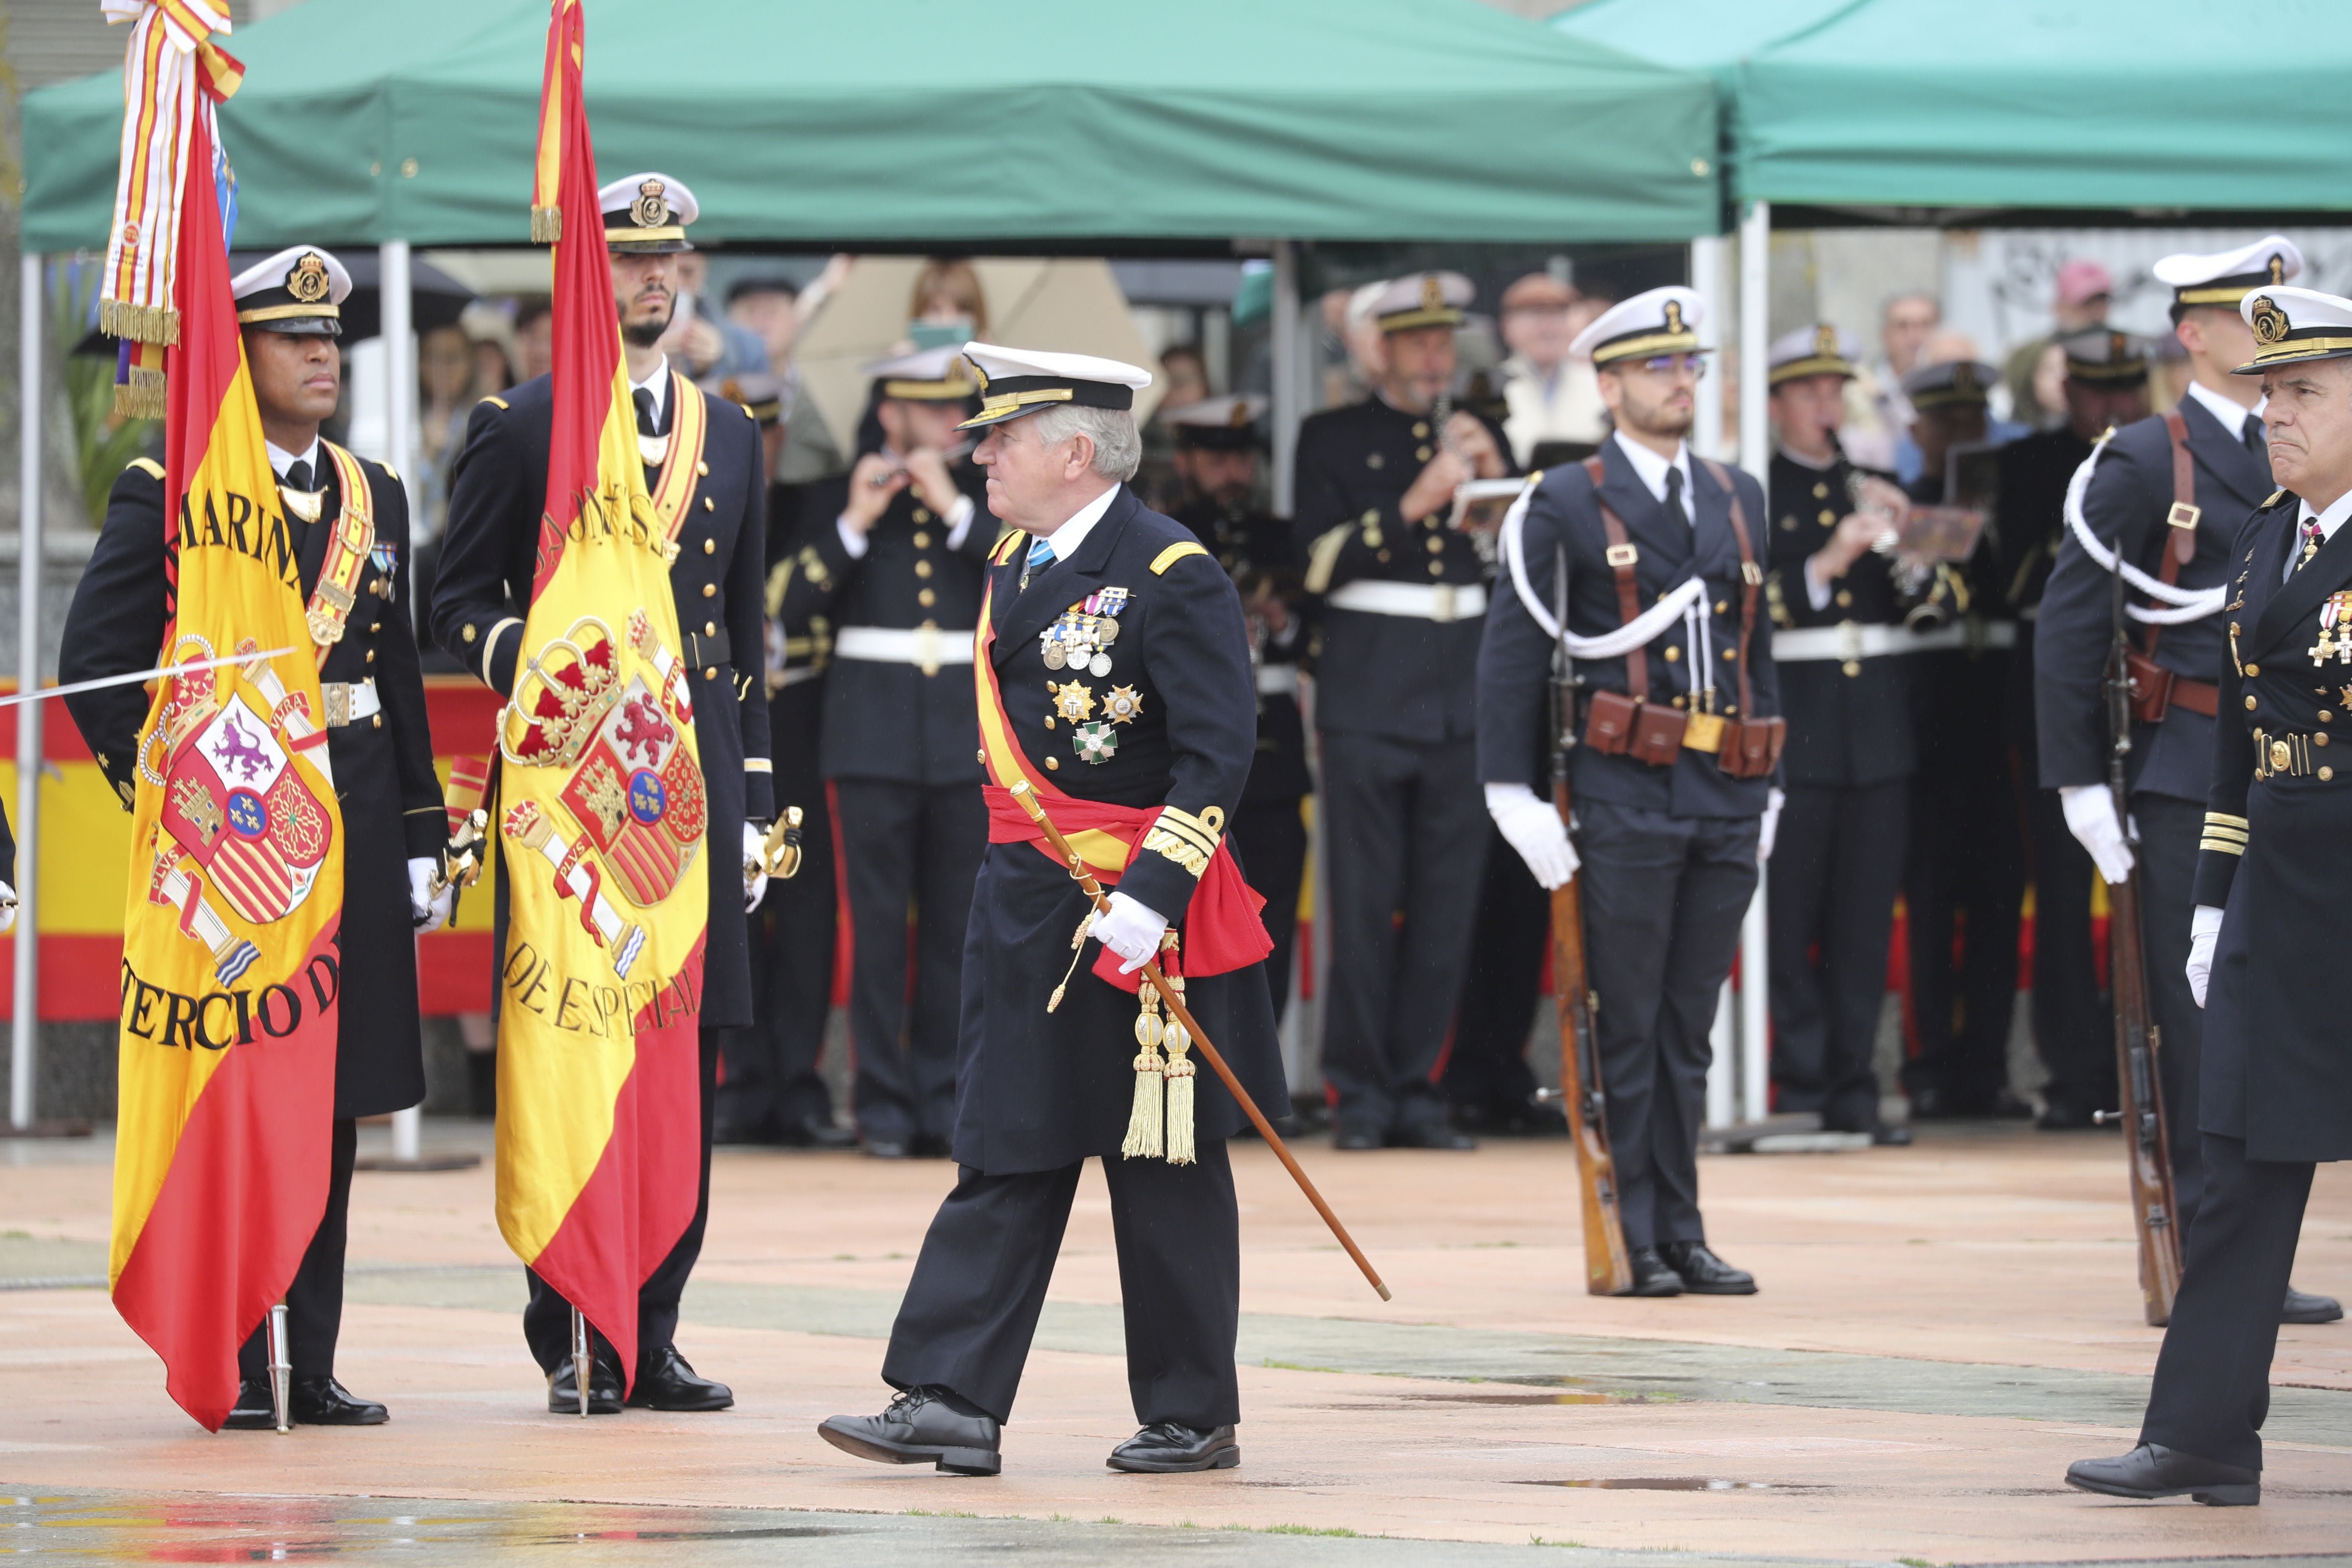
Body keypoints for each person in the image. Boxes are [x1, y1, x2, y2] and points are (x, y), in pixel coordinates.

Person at [818, 343, 1286, 1476]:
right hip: (1030, 904)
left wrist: (1153, 898)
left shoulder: (1173, 570)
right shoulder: (1021, 559)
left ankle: (1190, 1413)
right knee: (1006, 1143)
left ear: (1075, 451)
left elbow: (1220, 754)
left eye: (1003, 437)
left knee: (1162, 1163)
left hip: (1135, 914)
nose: (980, 453)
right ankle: (951, 1401)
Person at [61, 246, 449, 1427]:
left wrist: (426, 833)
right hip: (239, 853)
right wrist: (180, 817)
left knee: (330, 1102)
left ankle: (311, 1358)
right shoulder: (171, 486)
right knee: (242, 1088)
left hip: (364, 825)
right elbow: (97, 669)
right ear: (242, 355)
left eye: (332, 335)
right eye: (295, 336)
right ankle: (235, 1346)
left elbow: (398, 675)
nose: (324, 352)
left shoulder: (373, 493)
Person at [433, 172, 772, 1416]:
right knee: (574, 1042)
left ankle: (658, 1321)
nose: (654, 278)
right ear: (587, 275)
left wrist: (760, 795)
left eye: (669, 259)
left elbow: (746, 631)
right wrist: (526, 656)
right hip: (571, 797)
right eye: (629, 259)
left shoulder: (730, 433)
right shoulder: (523, 425)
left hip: (693, 791)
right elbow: (455, 596)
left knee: (684, 1062)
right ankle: (573, 1326)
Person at [2066, 283, 2352, 1506]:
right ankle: (2203, 1432)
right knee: (2236, 1158)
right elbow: (2243, 738)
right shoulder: (2265, 537)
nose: (2275, 415)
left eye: (2306, 394)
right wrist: (2212, 896)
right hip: (2283, 888)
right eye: (2270, 392)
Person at [1480, 286, 1782, 1297]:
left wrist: (1769, 778)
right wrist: (1508, 793)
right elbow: (1511, 655)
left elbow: (1753, 649)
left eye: (1688, 364)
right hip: (1619, 786)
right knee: (1624, 1019)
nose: (1679, 380)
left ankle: (1682, 1227)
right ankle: (1634, 1229)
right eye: (1657, 367)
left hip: (1724, 787)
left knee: (1686, 1024)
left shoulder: (1738, 494)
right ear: (1606, 384)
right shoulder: (1562, 499)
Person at [1294, 273, 1510, 1151]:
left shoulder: (1479, 433)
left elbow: (1514, 563)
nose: (1436, 357)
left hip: (1460, 693)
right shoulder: (1331, 437)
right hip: (1371, 692)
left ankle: (1420, 1088)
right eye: (1418, 341)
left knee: (1446, 905)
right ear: (1379, 349)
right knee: (1365, 897)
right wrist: (1414, 501)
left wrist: (1494, 484)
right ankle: (1359, 1091)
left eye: (1443, 340)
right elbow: (1315, 564)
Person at [776, 346, 995, 1159]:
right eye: (933, 408)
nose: (951, 421)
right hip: (870, 738)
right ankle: (882, 1105)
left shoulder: (984, 493)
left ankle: (945, 1098)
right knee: (875, 934)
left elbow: (1027, 577)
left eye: (957, 407)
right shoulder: (838, 495)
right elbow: (785, 604)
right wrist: (852, 526)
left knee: (954, 928)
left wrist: (957, 510)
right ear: (890, 412)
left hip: (960, 739)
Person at [1760, 325, 1915, 1146]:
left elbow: (1936, 604)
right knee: (1792, 912)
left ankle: (1855, 1083)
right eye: (1809, 392)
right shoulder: (1754, 489)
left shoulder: (1872, 480)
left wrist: (1916, 545)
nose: (1826, 406)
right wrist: (1824, 563)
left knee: (1862, 918)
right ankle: (1802, 1078)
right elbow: (1743, 602)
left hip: (1877, 723)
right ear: (1778, 400)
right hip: (1802, 718)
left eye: (1834, 391)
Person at [1997, 329, 2151, 1131]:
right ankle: (2073, 1069)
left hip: (2149, 688)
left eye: (2127, 387)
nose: (2115, 405)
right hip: (2063, 697)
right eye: (2099, 390)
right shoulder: (2031, 464)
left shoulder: (2165, 456)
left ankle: (2150, 1062)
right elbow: (2018, 577)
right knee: (2061, 891)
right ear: (2070, 393)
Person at [716, 374, 853, 1151]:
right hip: (720, 715)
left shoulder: (814, 504)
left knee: (802, 903)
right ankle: (741, 1082)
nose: (756, 448)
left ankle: (799, 1082)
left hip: (796, 714)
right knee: (729, 895)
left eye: (766, 433)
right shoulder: (692, 501)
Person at [1894, 358, 2029, 1121]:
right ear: (1919, 432)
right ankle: (1926, 1068)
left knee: (1997, 902)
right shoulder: (1905, 504)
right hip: (1930, 722)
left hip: (1996, 721)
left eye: (1974, 423)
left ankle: (1985, 1065)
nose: (1962, 437)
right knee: (1931, 898)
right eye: (1947, 424)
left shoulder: (2011, 507)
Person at [1162, 395, 1310, 1029]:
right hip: (1190, 754)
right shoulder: (1165, 532)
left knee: (1270, 915)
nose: (1233, 473)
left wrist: (1281, 621)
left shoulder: (1279, 535)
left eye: (1242, 459)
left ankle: (1259, 1077)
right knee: (1190, 919)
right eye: (1218, 459)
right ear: (1189, 460)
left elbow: (1315, 641)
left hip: (1272, 747)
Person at [1497, 273, 1608, 469]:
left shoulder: (1600, 382)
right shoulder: (1492, 384)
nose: (1548, 328)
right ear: (1507, 326)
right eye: (1536, 315)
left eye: (1558, 314)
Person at [2005, 259, 2113, 429]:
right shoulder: (2032, 355)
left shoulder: (2124, 352)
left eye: (2102, 302)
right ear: (2059, 307)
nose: (2095, 312)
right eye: (2085, 303)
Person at [1846, 291, 1939, 473]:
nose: (1915, 336)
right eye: (1903, 326)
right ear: (1885, 334)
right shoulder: (1855, 386)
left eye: (1925, 325)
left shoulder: (1947, 386)